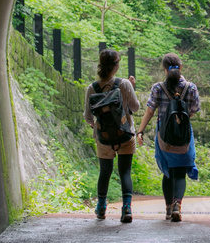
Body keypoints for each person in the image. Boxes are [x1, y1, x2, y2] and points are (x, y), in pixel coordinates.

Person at [136, 53, 200, 222]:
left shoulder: (158, 87)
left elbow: (150, 110)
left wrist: (140, 131)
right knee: (180, 172)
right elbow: (194, 110)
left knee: (168, 172)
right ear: (181, 67)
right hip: (184, 135)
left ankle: (168, 209)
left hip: (164, 135)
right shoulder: (191, 87)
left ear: (164, 69)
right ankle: (178, 204)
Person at [84, 49, 140, 223]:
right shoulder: (124, 84)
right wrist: (131, 87)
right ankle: (127, 209)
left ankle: (101, 208)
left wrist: (96, 123)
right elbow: (136, 107)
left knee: (105, 172)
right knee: (125, 172)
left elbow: (88, 116)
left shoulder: (92, 88)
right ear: (115, 66)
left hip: (104, 137)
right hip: (125, 134)